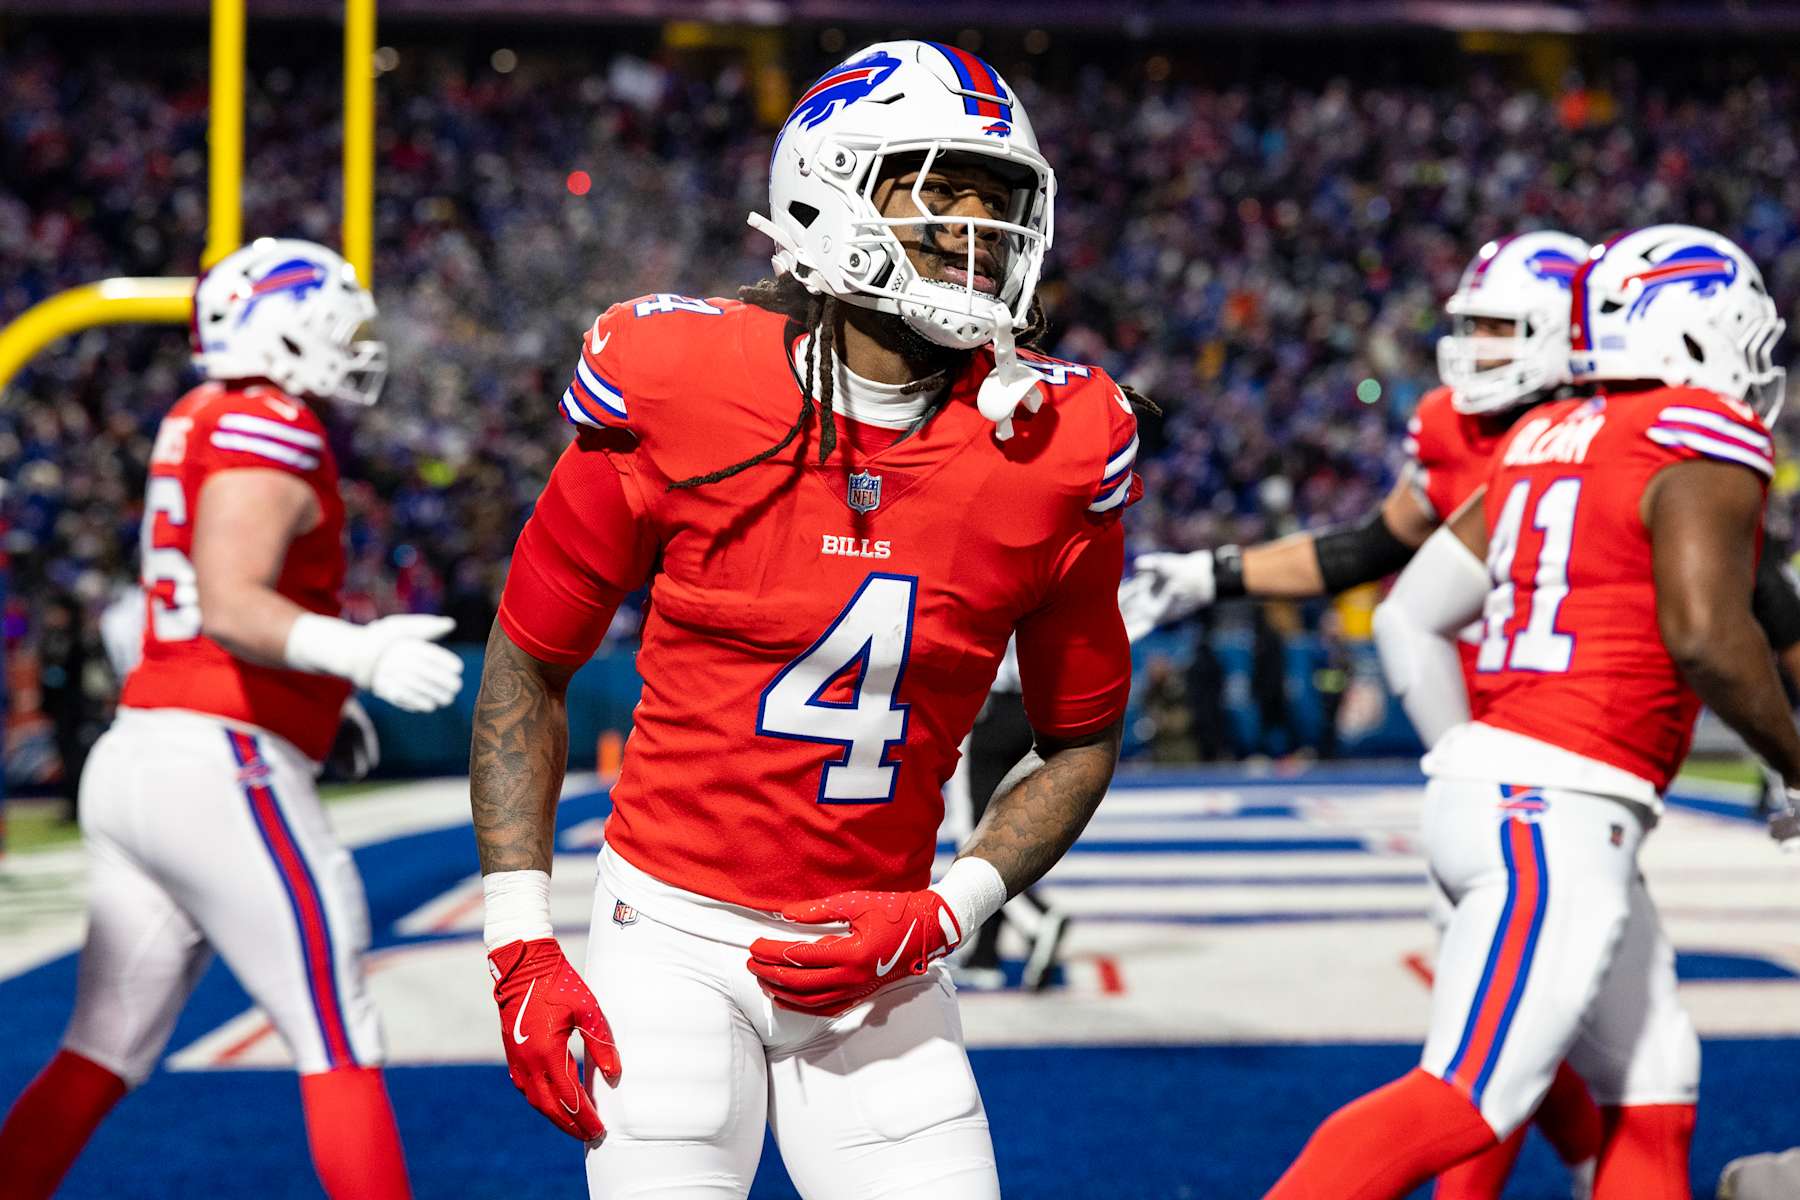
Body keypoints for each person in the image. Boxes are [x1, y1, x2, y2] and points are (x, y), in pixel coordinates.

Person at [469, 41, 1142, 1198]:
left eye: (1000, 201)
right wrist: (520, 937)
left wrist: (944, 912)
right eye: (940, 192)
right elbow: (529, 663)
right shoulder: (675, 375)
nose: (980, 233)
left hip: (885, 963)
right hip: (671, 941)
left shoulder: (1057, 442)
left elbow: (1078, 738)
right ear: (828, 189)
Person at [1264, 224, 1798, 1200]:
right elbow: (1707, 636)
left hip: (1520, 789)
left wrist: (1469, 752)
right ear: (1694, 329)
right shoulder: (1698, 431)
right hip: (1558, 800)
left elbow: (1413, 614)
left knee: (1655, 1077)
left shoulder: (1542, 436)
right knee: (1462, 1099)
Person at [1131, 231, 1612, 1197]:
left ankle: (1611, 1159)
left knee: (1541, 1029)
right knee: (1534, 1028)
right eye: (1467, 327)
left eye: (1497, 329)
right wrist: (1213, 572)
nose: (1471, 349)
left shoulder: (1614, 432)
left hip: (1569, 752)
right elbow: (1362, 550)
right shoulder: (1450, 426)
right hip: (1501, 758)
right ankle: (1614, 1161)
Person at [0, 238, 465, 1200]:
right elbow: (232, 603)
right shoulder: (268, 421)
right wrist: (359, 653)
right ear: (282, 327)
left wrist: (317, 700)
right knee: (336, 1035)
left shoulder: (200, 414)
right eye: (334, 317)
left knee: (100, 1052)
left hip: (147, 752)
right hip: (213, 763)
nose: (352, 338)